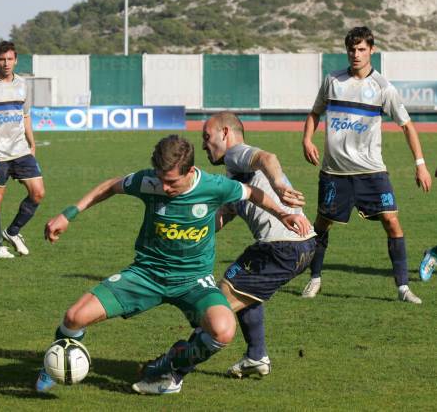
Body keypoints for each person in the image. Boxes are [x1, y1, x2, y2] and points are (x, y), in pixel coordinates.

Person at [35, 135, 310, 395]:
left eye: (172, 182)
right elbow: (110, 186)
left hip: (193, 281)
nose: (164, 188)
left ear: (190, 172)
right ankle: (54, 362)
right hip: (146, 274)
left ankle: (169, 368)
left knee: (223, 329)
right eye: (161, 179)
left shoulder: (214, 186)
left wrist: (284, 214)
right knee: (74, 317)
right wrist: (67, 214)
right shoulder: (149, 182)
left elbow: (251, 192)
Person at [301, 26, 431, 303]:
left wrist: (420, 164)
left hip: (372, 172)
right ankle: (314, 279)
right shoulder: (332, 81)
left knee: (392, 221)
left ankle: (403, 288)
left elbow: (407, 126)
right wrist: (307, 140)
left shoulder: (383, 87)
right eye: (351, 49)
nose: (356, 54)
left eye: (361, 49)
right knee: (322, 224)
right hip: (335, 172)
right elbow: (315, 112)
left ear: (372, 50)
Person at [202, 111, 315, 378]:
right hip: (299, 246)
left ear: (225, 133)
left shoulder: (236, 153)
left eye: (207, 137)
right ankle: (256, 357)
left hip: (282, 246)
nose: (204, 145)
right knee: (240, 287)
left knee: (216, 310)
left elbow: (267, 158)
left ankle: (172, 367)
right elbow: (225, 214)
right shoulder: (234, 175)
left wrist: (278, 185)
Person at [0, 41, 44, 258]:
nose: (6, 63)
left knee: (38, 193)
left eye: (10, 59)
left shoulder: (22, 84)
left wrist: (32, 143)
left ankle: (12, 232)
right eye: (2, 59)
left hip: (21, 150)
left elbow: (25, 115)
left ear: (16, 60)